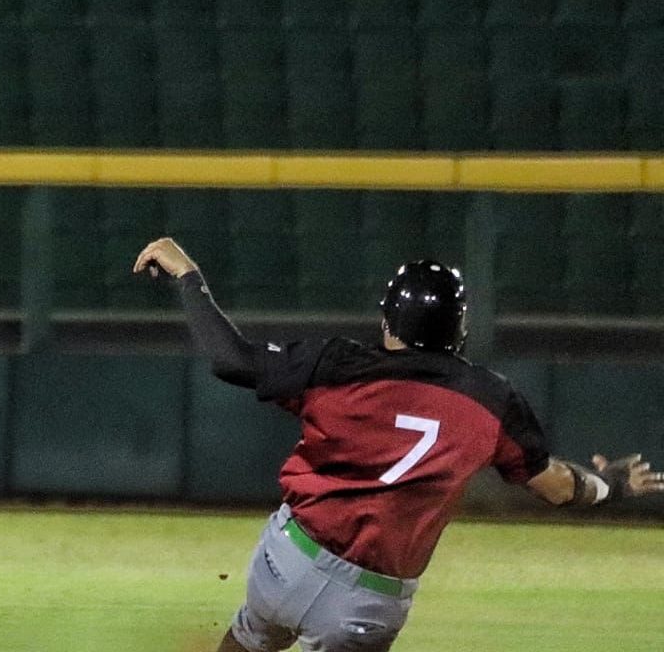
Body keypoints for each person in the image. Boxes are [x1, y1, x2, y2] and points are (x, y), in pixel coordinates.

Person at [132, 237, 664, 652]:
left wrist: (189, 277)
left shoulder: (338, 365)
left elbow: (233, 360)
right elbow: (557, 486)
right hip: (370, 600)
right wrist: (611, 485)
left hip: (286, 563)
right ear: (459, 329)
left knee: (252, 635)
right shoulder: (491, 400)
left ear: (388, 320)